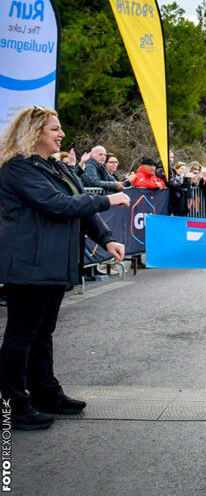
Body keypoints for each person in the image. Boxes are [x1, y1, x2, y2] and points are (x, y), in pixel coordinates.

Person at [0, 107, 129, 431]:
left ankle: (44, 393)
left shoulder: (57, 168)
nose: (61, 135)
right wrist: (107, 201)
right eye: (54, 129)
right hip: (29, 264)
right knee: (22, 334)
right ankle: (13, 405)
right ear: (33, 133)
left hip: (53, 264)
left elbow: (80, 206)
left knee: (42, 332)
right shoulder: (17, 169)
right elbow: (57, 205)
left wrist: (107, 238)